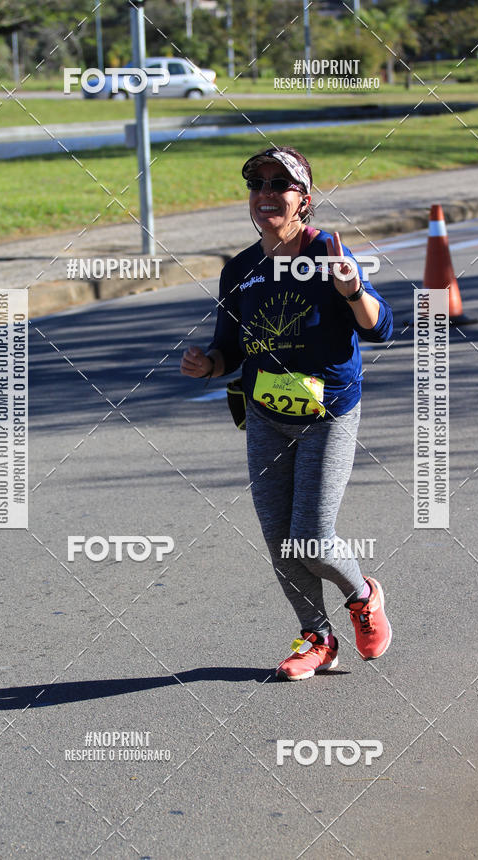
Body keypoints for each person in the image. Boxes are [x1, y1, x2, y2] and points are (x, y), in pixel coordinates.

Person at [180, 146, 393, 681]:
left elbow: (381, 327)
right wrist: (208, 365)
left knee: (313, 539)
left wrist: (353, 289)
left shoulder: (327, 253)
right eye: (258, 185)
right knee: (280, 538)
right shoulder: (241, 269)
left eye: (281, 185)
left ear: (305, 200)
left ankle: (363, 594)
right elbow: (229, 348)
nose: (267, 194)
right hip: (265, 414)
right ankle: (317, 636)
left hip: (328, 413)